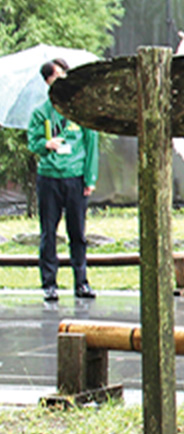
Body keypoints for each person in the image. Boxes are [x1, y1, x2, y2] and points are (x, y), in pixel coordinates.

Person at [27, 58, 99, 302]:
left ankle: (81, 282)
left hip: (75, 178)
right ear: (48, 81)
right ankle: (49, 283)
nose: (62, 79)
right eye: (57, 75)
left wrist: (90, 178)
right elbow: (33, 142)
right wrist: (46, 144)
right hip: (49, 178)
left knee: (77, 232)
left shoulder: (80, 110)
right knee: (48, 231)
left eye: (64, 74)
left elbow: (92, 145)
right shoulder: (41, 112)